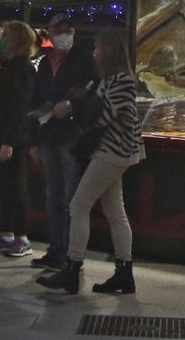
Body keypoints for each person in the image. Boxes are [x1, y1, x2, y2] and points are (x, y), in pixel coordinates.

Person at [36, 28, 145, 295]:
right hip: (112, 151)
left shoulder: (122, 81)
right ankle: (123, 273)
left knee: (78, 205)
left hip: (113, 151)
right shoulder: (109, 80)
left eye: (98, 47)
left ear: (109, 50)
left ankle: (72, 269)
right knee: (115, 212)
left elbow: (101, 117)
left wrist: (75, 105)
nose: (94, 52)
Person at [31, 15, 97, 270]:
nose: (63, 35)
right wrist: (33, 141)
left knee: (72, 198)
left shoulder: (85, 60)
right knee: (52, 196)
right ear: (49, 33)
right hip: (48, 135)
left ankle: (72, 255)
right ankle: (55, 250)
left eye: (67, 30)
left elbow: (93, 92)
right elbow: (36, 100)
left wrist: (71, 105)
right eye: (58, 31)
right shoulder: (44, 64)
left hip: (73, 136)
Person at [0, 20, 37, 257]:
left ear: (18, 40)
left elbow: (21, 107)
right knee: (3, 188)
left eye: (5, 34)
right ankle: (5, 234)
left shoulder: (23, 69)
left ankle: (22, 237)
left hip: (9, 139)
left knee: (15, 186)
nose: (1, 38)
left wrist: (9, 140)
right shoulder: (9, 66)